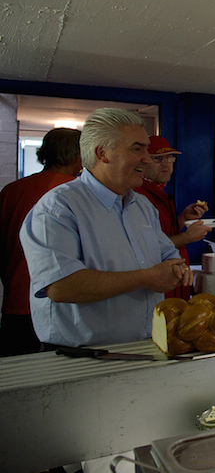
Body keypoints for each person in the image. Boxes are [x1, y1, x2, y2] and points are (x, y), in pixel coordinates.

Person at [19, 108, 192, 348]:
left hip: (144, 345)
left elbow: (165, 252)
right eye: (137, 149)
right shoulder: (58, 208)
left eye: (146, 148)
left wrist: (176, 267)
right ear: (102, 153)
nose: (147, 158)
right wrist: (147, 278)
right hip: (80, 357)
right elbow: (61, 286)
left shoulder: (141, 205)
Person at [0, 128, 83, 356]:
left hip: (15, 302)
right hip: (56, 305)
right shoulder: (75, 194)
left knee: (14, 379)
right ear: (79, 155)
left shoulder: (11, 191)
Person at [134, 135, 211, 299]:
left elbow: (161, 233)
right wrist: (186, 237)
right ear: (144, 161)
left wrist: (182, 219)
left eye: (170, 158)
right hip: (157, 288)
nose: (166, 164)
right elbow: (148, 247)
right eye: (158, 159)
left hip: (174, 285)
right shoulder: (137, 197)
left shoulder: (159, 194)